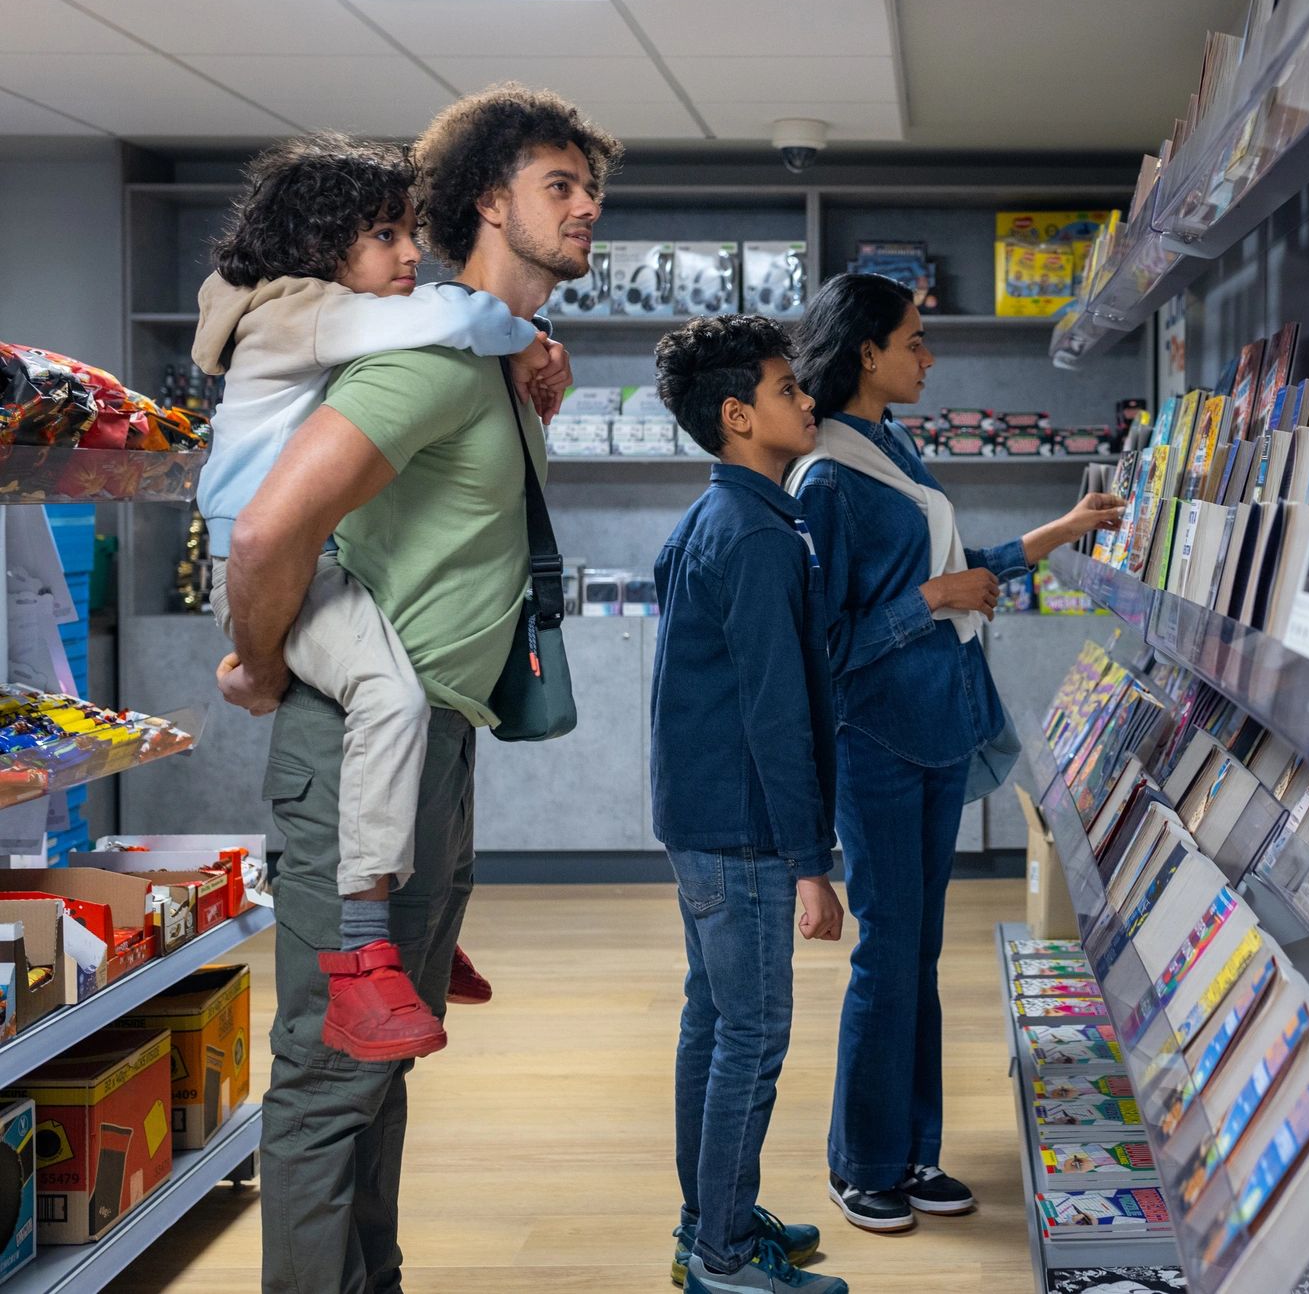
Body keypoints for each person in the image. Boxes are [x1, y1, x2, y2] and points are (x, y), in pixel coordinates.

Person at [218, 84, 619, 1294]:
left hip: (432, 742)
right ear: (488, 204)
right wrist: (268, 656)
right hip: (355, 739)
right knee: (333, 1069)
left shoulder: (492, 362)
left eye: (590, 186)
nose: (587, 205)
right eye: (559, 185)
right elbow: (267, 529)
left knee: (379, 1064)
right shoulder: (434, 356)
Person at [193, 132, 567, 1061]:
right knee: (390, 695)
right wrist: (529, 341)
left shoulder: (303, 315)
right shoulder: (305, 314)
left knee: (402, 705)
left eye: (409, 233)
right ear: (323, 250)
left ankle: (415, 931)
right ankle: (367, 955)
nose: (410, 255)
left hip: (305, 560)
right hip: (274, 566)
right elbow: (452, 318)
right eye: (386, 236)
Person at [788, 272, 1125, 1232]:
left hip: (935, 732)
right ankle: (861, 1164)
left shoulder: (888, 447)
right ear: (867, 352)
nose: (928, 356)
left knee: (919, 955)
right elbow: (827, 645)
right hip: (879, 744)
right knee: (888, 956)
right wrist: (932, 604)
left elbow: (953, 566)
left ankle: (912, 1152)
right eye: (915, 339)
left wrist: (1054, 536)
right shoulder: (825, 478)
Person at [651, 314, 851, 1294]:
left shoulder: (711, 518)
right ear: (737, 416)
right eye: (785, 389)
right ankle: (723, 1258)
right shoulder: (759, 537)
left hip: (699, 814)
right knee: (751, 1033)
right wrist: (811, 862)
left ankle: (711, 1217)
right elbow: (778, 713)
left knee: (714, 1019)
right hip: (745, 826)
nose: (805, 400)